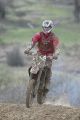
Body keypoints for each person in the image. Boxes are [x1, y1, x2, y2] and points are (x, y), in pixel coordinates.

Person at [24, 20, 60, 94]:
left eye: (48, 27)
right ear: (42, 27)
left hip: (49, 55)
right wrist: (28, 49)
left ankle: (47, 84)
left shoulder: (54, 37)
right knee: (33, 67)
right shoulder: (38, 35)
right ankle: (31, 81)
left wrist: (55, 55)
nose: (46, 29)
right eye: (45, 27)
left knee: (47, 68)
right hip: (40, 54)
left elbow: (56, 47)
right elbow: (32, 43)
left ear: (51, 27)